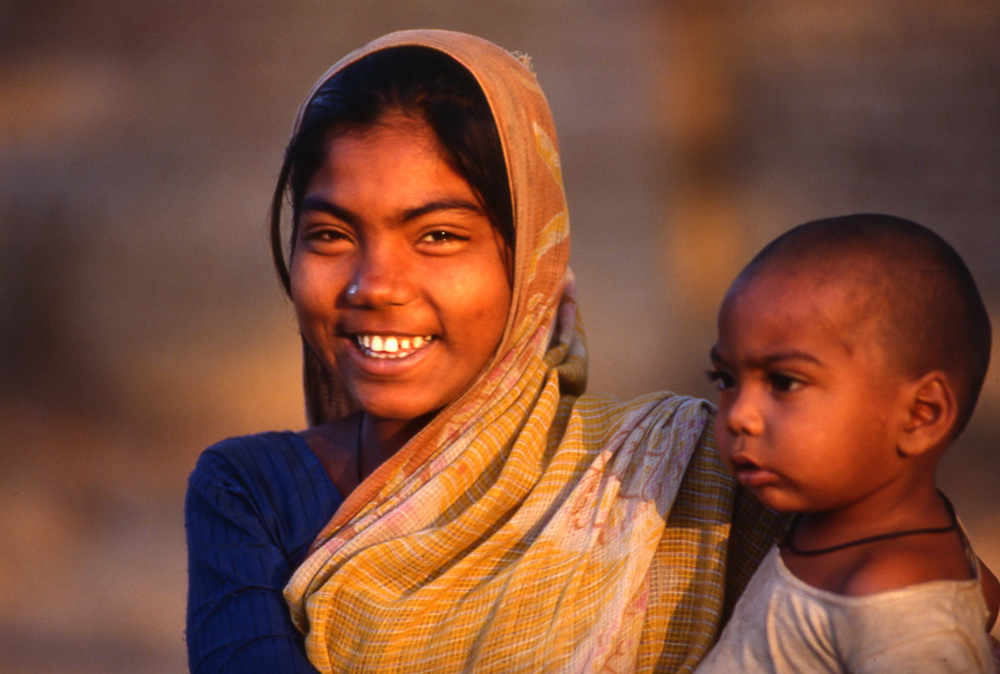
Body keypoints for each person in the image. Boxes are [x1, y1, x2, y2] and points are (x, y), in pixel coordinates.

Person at [185, 30, 786, 674]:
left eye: (439, 235)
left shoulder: (684, 481)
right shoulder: (251, 493)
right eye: (330, 235)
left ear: (531, 260)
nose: (374, 286)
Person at [696, 214, 999, 672]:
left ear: (921, 415)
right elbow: (983, 597)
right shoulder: (859, 523)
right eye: (727, 379)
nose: (739, 414)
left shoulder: (892, 597)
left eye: (784, 381)